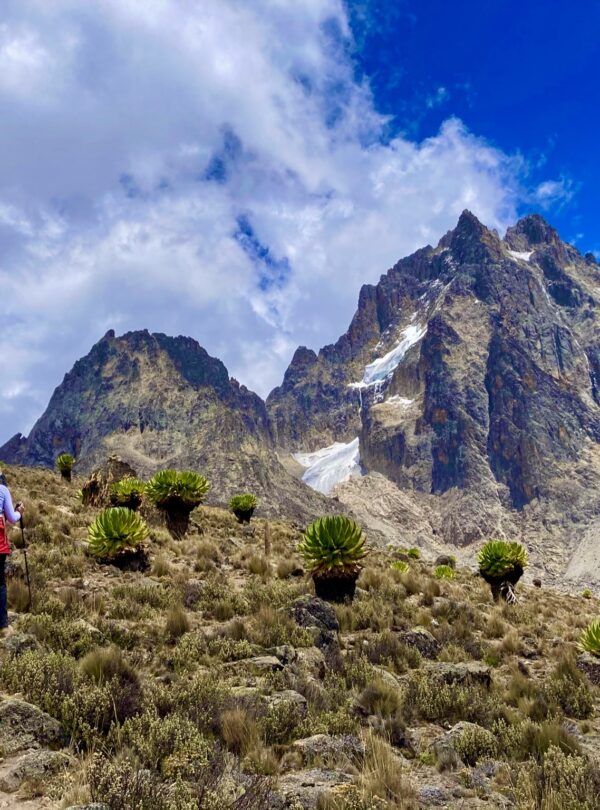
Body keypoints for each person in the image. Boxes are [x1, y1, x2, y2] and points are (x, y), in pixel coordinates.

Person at [0, 471, 24, 632]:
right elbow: (11, 518)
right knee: (0, 584)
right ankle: (2, 625)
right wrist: (19, 512)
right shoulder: (2, 490)